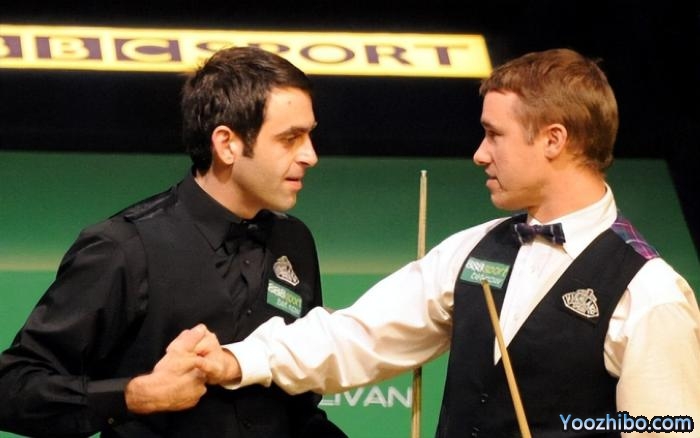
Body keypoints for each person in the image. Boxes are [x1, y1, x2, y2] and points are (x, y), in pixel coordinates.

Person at [188, 48, 700, 437]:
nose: (479, 154)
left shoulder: (649, 295)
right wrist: (235, 360)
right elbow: (357, 337)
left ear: (553, 139)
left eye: (494, 134)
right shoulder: (474, 251)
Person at [0, 46, 347, 438]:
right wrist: (134, 395)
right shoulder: (123, 247)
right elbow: (13, 387)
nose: (310, 155)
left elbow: (297, 410)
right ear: (226, 144)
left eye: (309, 135)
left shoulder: (294, 240)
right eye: (290, 138)